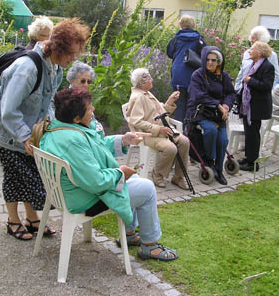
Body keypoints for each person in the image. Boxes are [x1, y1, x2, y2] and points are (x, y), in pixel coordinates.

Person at [40, 88, 178, 262]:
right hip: (85, 199)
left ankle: (128, 234)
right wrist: (119, 172)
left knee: (135, 180)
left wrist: (123, 140)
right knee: (147, 188)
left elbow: (94, 146)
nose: (93, 111)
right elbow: (96, 182)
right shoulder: (74, 140)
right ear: (76, 117)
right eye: (90, 108)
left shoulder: (61, 128)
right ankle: (150, 246)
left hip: (70, 192)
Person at [0, 18, 90, 240]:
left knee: (24, 171)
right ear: (57, 48)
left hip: (28, 130)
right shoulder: (27, 69)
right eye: (71, 53)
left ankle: (31, 218)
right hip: (5, 130)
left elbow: (48, 102)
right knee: (16, 174)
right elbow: (8, 110)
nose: (74, 59)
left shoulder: (56, 67)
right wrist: (25, 137)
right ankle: (13, 221)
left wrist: (52, 127)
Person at [127, 68, 190, 190]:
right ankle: (157, 174)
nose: (152, 80)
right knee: (170, 148)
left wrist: (170, 102)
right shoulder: (138, 97)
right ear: (142, 82)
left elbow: (159, 114)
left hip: (163, 130)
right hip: (149, 135)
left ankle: (179, 177)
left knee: (184, 142)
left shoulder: (147, 93)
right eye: (150, 78)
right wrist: (158, 129)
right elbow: (136, 121)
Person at [187, 46, 236, 185]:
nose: (210, 63)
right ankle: (209, 160)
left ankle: (219, 170)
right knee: (210, 130)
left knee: (223, 140)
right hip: (201, 111)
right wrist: (217, 104)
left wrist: (226, 105)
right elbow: (198, 96)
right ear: (203, 60)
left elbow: (231, 93)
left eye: (213, 60)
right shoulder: (197, 75)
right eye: (207, 60)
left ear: (218, 62)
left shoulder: (223, 76)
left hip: (218, 114)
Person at [238, 41, 275, 172]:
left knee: (253, 134)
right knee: (249, 133)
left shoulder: (267, 67)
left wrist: (250, 81)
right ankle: (248, 158)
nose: (249, 51)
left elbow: (266, 87)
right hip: (248, 107)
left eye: (252, 49)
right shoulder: (253, 65)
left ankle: (253, 163)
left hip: (257, 108)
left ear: (259, 52)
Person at [166, 14, 206, 123]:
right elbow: (205, 55)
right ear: (193, 25)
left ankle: (179, 134)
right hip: (194, 76)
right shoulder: (199, 39)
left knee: (179, 105)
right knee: (192, 105)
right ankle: (189, 133)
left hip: (178, 75)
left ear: (180, 25)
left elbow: (169, 53)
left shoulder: (175, 39)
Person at [234, 26, 279, 93]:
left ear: (261, 40)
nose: (251, 40)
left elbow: (275, 75)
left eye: (254, 38)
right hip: (243, 91)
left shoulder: (271, 55)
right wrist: (237, 88)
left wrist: (267, 91)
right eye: (251, 38)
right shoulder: (247, 53)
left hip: (260, 93)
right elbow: (242, 72)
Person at [66, 61, 104, 135]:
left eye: (89, 81)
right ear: (72, 81)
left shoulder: (84, 96)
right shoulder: (68, 99)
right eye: (83, 81)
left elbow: (92, 118)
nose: (86, 84)